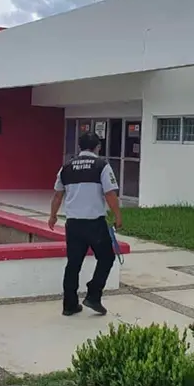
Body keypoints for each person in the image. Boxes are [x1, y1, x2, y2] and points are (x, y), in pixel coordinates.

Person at [48, 132, 122, 316]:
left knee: (73, 264)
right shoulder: (101, 166)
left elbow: (58, 195)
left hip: (73, 224)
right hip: (94, 224)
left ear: (80, 147)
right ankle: (93, 295)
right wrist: (118, 216)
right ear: (98, 147)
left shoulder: (66, 167)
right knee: (106, 258)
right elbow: (110, 193)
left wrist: (53, 216)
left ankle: (69, 305)